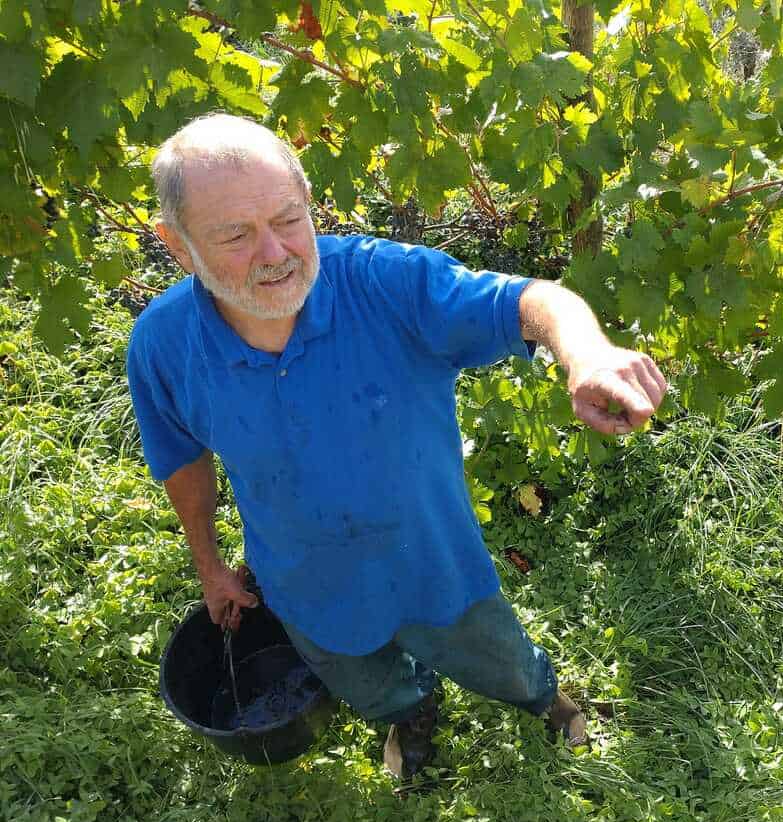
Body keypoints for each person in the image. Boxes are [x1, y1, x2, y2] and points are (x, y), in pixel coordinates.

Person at [126, 113, 667, 778]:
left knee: (498, 654)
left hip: (435, 564)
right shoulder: (162, 347)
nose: (275, 253)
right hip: (304, 584)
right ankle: (409, 718)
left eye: (288, 220)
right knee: (363, 679)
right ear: (178, 247)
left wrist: (586, 353)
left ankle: (546, 701)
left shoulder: (383, 285)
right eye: (235, 234)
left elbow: (533, 300)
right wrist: (209, 564)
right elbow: (182, 460)